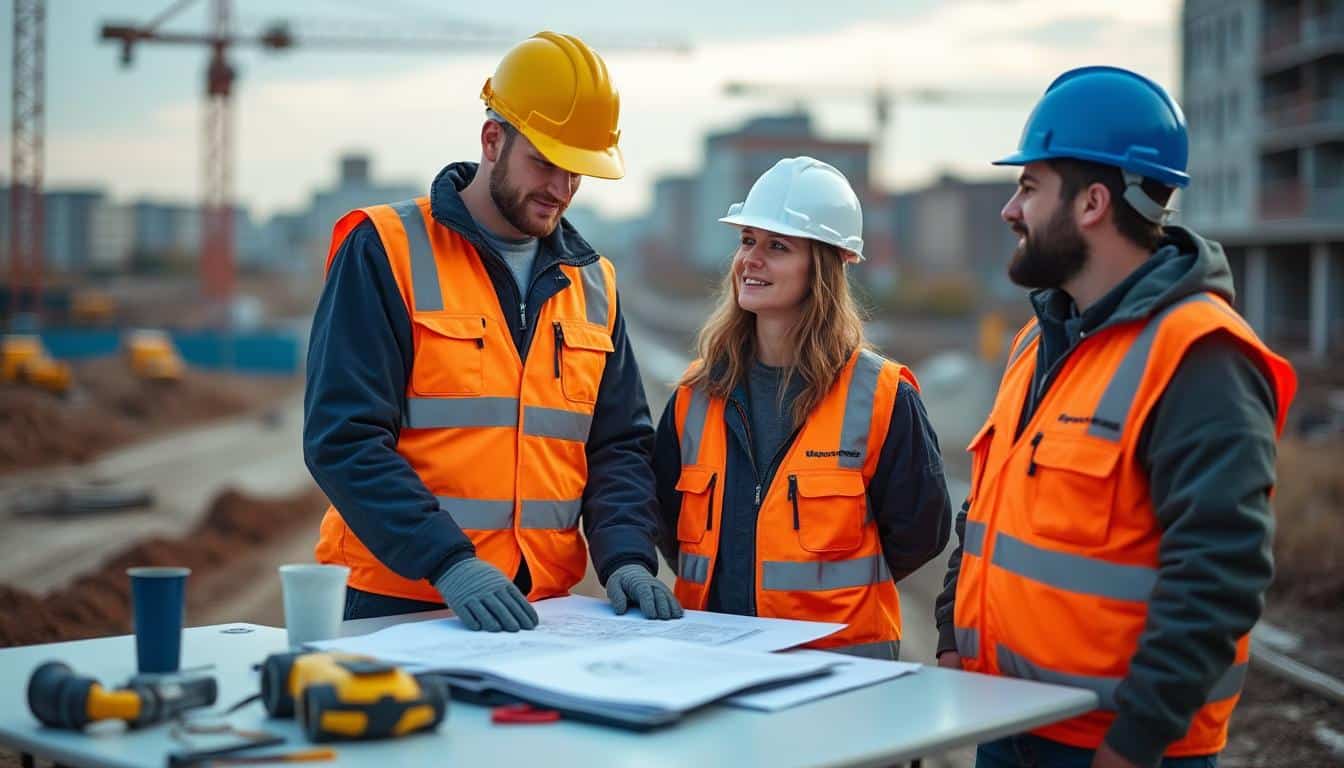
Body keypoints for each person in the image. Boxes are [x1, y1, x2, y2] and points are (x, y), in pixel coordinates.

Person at [934, 66, 1298, 767]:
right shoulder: (1036, 343)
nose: (1011, 210)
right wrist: (952, 635)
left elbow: (1218, 575)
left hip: (1118, 750)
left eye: (1030, 187)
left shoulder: (1200, 356)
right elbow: (986, 512)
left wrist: (1132, 747)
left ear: (1093, 202)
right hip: (1005, 726)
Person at [304, 31, 682, 631]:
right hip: (397, 603)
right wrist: (448, 562)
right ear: (492, 140)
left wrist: (628, 557)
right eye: (545, 162)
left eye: (577, 171)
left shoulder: (594, 283)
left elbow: (618, 447)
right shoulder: (385, 249)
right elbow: (343, 438)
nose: (561, 189)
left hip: (542, 614)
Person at [653, 156, 952, 659]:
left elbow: (922, 530)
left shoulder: (880, 396)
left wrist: (832, 591)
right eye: (747, 241)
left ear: (824, 266)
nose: (752, 259)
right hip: (713, 665)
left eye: (777, 246)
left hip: (839, 675)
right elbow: (664, 521)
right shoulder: (696, 393)